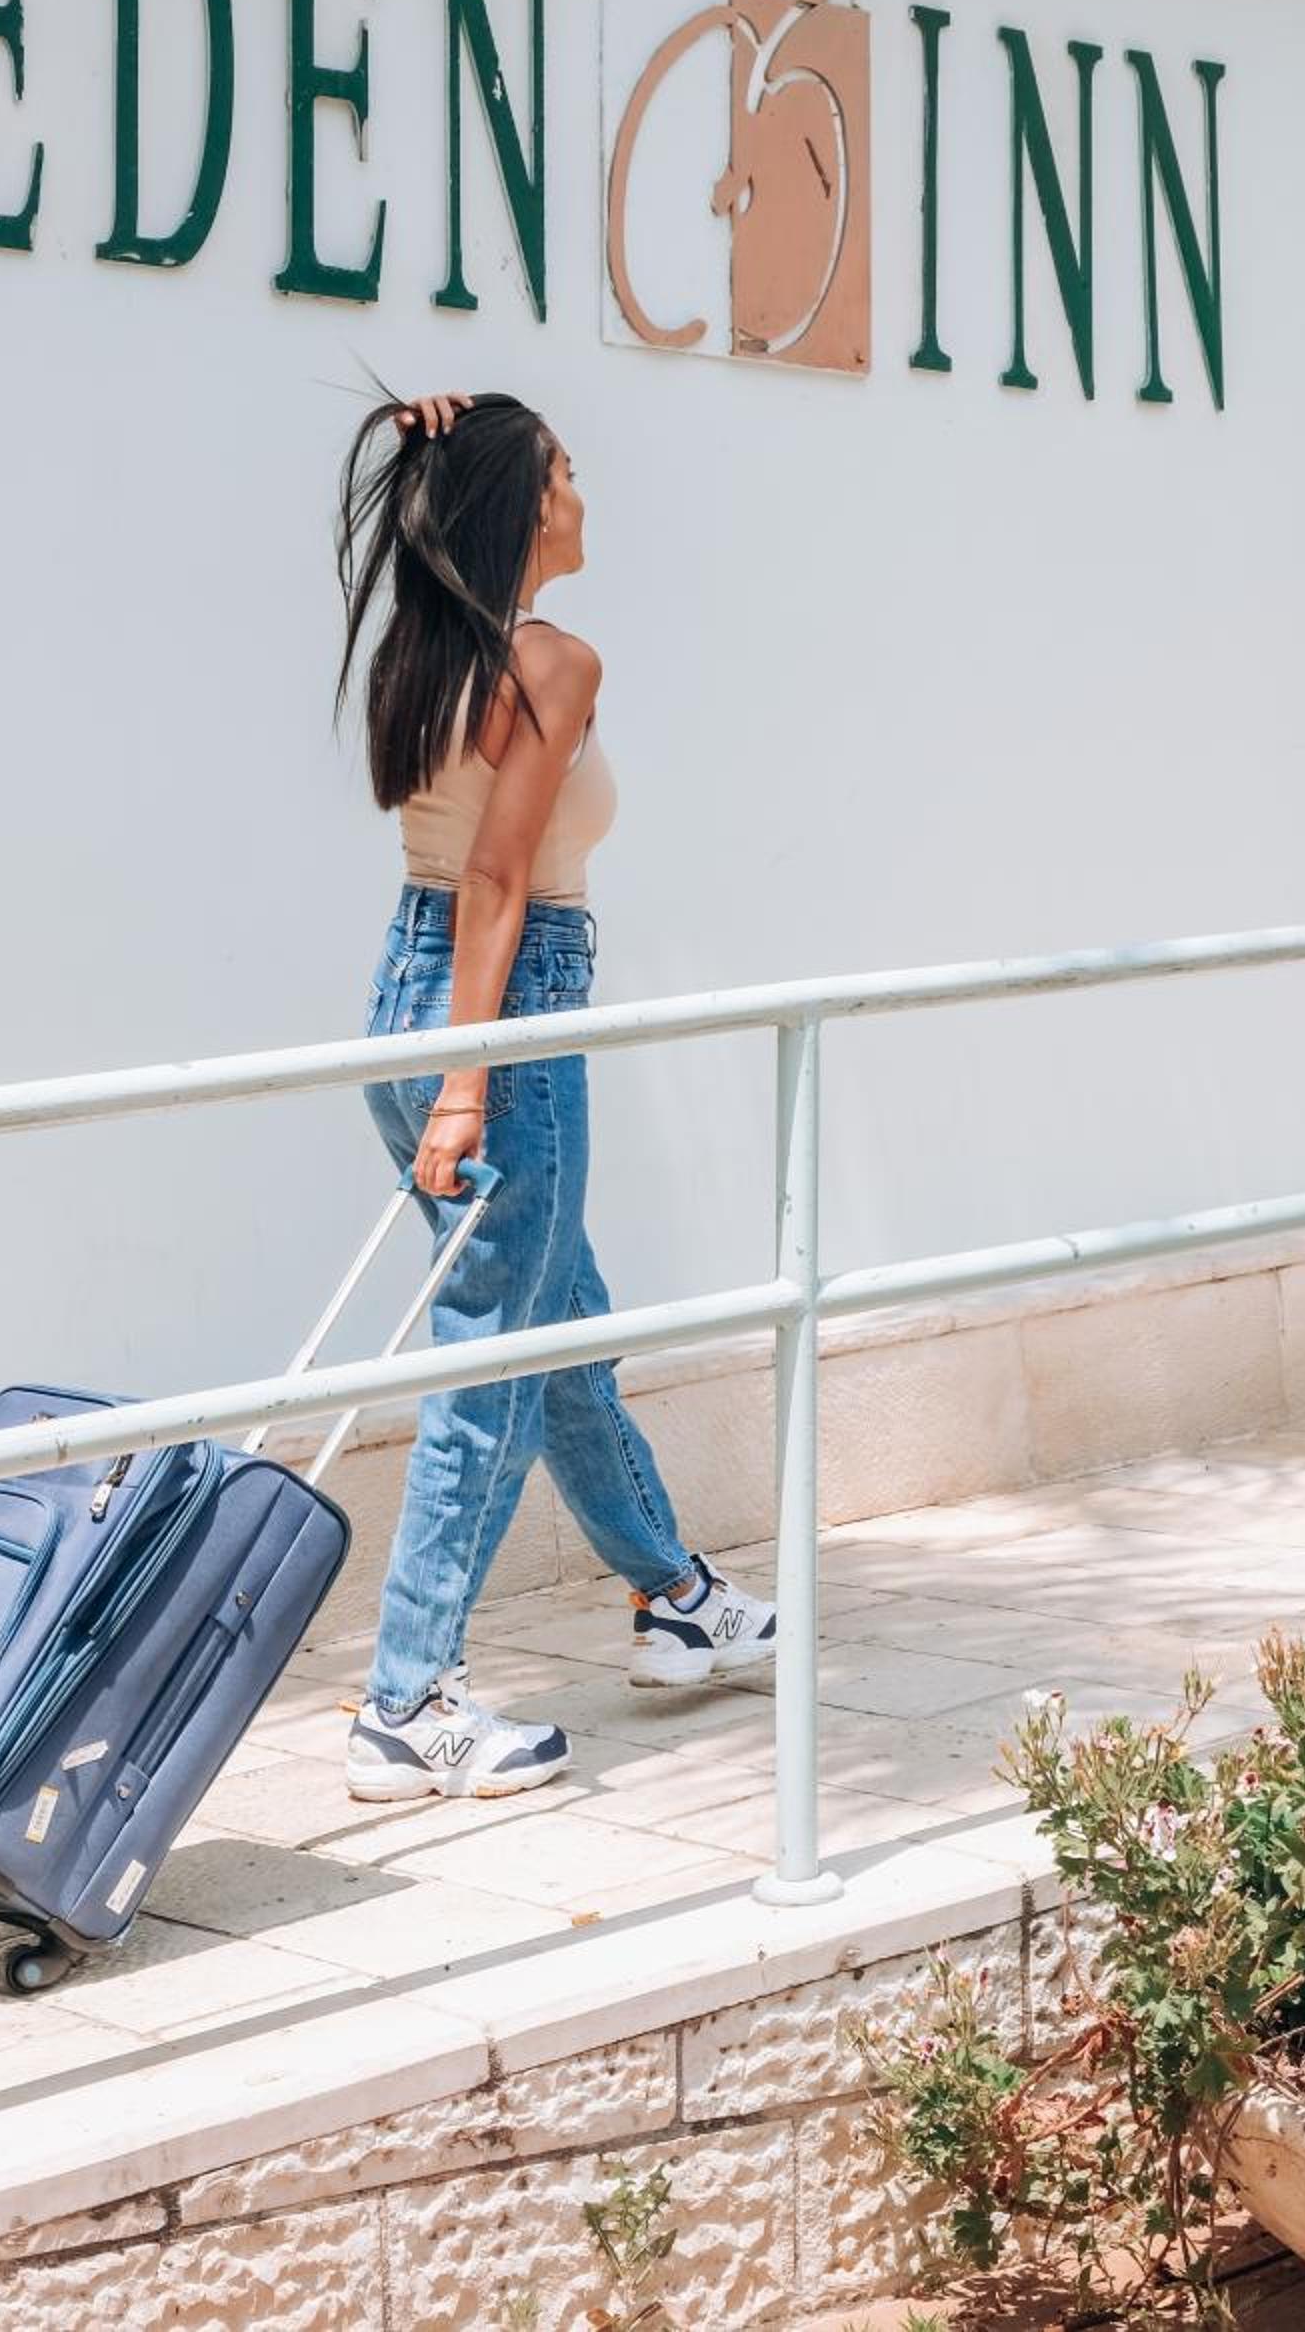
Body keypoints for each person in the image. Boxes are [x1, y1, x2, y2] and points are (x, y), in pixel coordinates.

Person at [333, 386, 775, 1801]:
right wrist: (472, 1084)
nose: (585, 493)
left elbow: (460, 875)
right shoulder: (553, 663)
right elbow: (499, 876)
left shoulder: (428, 652)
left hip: (406, 1006)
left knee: (559, 1324)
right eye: (566, 471)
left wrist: (436, 435)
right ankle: (407, 1702)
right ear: (528, 507)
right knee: (497, 1361)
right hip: (498, 1021)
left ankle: (676, 1597)